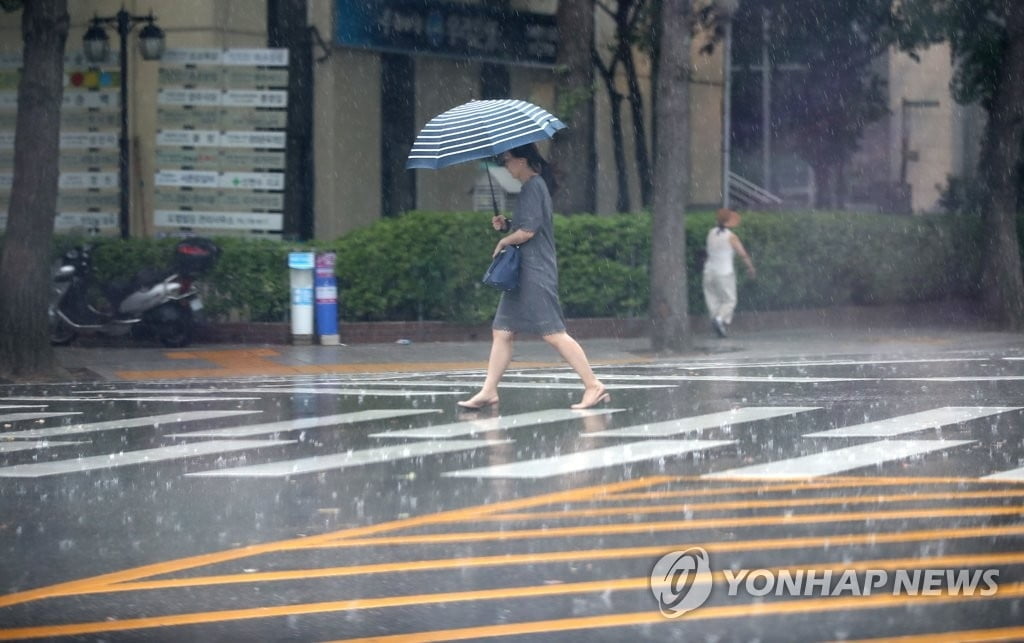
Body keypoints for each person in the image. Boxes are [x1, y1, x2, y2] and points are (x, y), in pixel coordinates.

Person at [457, 143, 608, 411]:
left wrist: (505, 239)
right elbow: (526, 226)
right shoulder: (532, 188)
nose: (505, 165)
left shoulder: (533, 186)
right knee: (502, 331)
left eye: (507, 160)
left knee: (553, 333)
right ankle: (489, 391)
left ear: (522, 160)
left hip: (535, 271)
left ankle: (593, 385)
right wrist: (506, 225)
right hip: (523, 272)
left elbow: (529, 231)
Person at [702, 207, 756, 338]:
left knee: (713, 299)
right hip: (724, 272)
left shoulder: (711, 233)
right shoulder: (731, 237)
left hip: (708, 271)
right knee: (729, 300)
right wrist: (750, 267)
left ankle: (717, 323)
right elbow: (742, 254)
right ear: (728, 222)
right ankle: (719, 320)